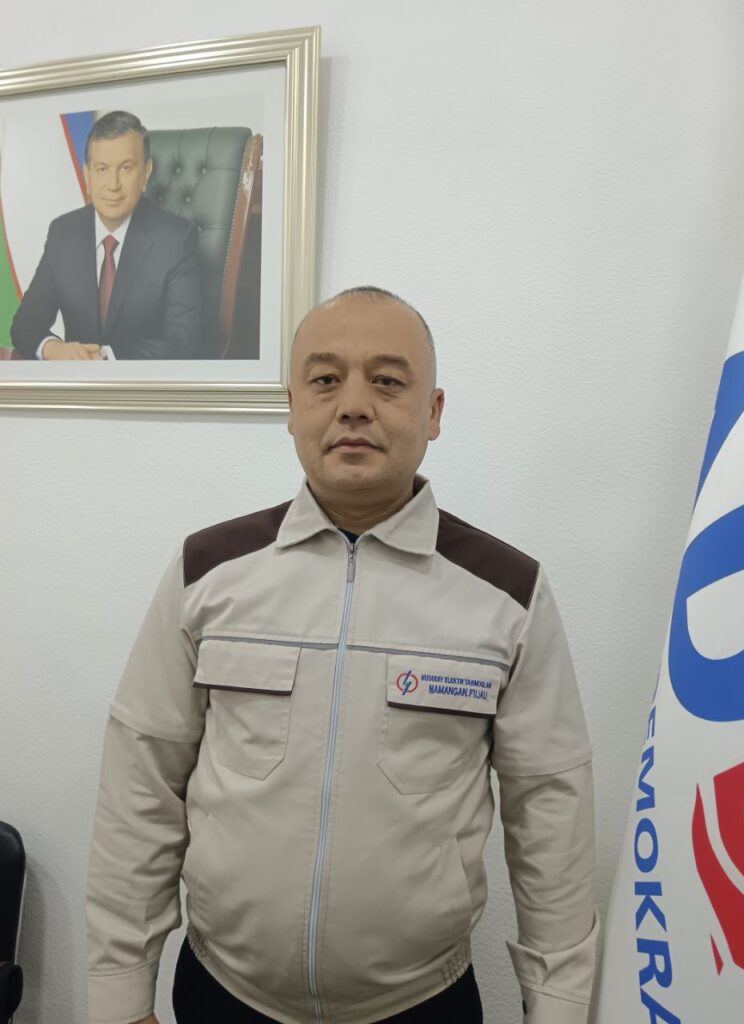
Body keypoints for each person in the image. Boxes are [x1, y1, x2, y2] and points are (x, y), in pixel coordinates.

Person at [86, 286, 598, 1024]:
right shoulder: (208, 572)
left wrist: (559, 1008)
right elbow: (141, 785)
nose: (353, 405)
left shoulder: (507, 594)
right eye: (326, 380)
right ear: (292, 406)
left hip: (421, 1004)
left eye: (388, 381)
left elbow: (551, 813)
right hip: (224, 994)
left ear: (433, 412)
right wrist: (118, 995)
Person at [10, 111, 201, 360]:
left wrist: (105, 358)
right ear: (87, 175)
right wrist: (53, 349)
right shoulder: (63, 232)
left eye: (126, 168)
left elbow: (185, 341)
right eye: (102, 169)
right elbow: (25, 325)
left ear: (146, 173)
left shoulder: (176, 238)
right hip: (75, 382)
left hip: (143, 383)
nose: (113, 184)